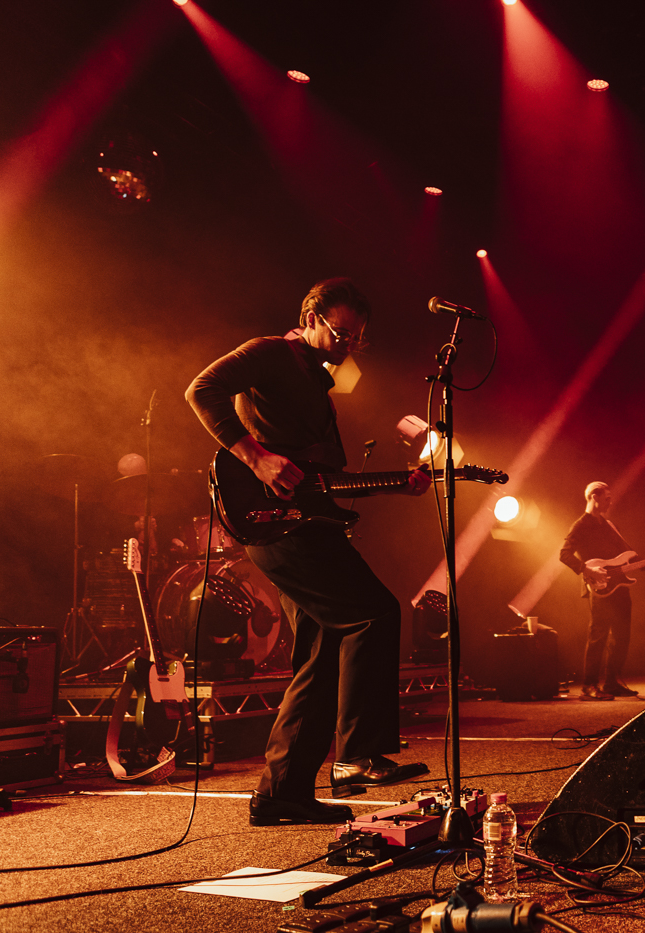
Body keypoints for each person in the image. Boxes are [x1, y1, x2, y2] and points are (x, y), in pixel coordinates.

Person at [186, 278, 431, 826]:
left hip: (302, 523)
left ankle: (283, 793)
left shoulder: (315, 383)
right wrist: (254, 457)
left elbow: (321, 483)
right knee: (375, 612)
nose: (347, 345)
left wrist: (400, 483)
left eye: (356, 339)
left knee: (318, 658)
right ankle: (358, 755)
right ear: (311, 316)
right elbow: (201, 390)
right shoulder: (271, 352)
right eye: (341, 332)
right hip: (278, 528)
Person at [558, 482, 645, 699]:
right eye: (607, 497)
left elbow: (628, 554)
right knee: (598, 636)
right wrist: (587, 570)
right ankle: (588, 686)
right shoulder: (580, 525)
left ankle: (611, 683)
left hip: (620, 586)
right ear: (594, 496)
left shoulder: (610, 525)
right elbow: (564, 554)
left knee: (622, 637)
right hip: (599, 589)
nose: (610, 501)